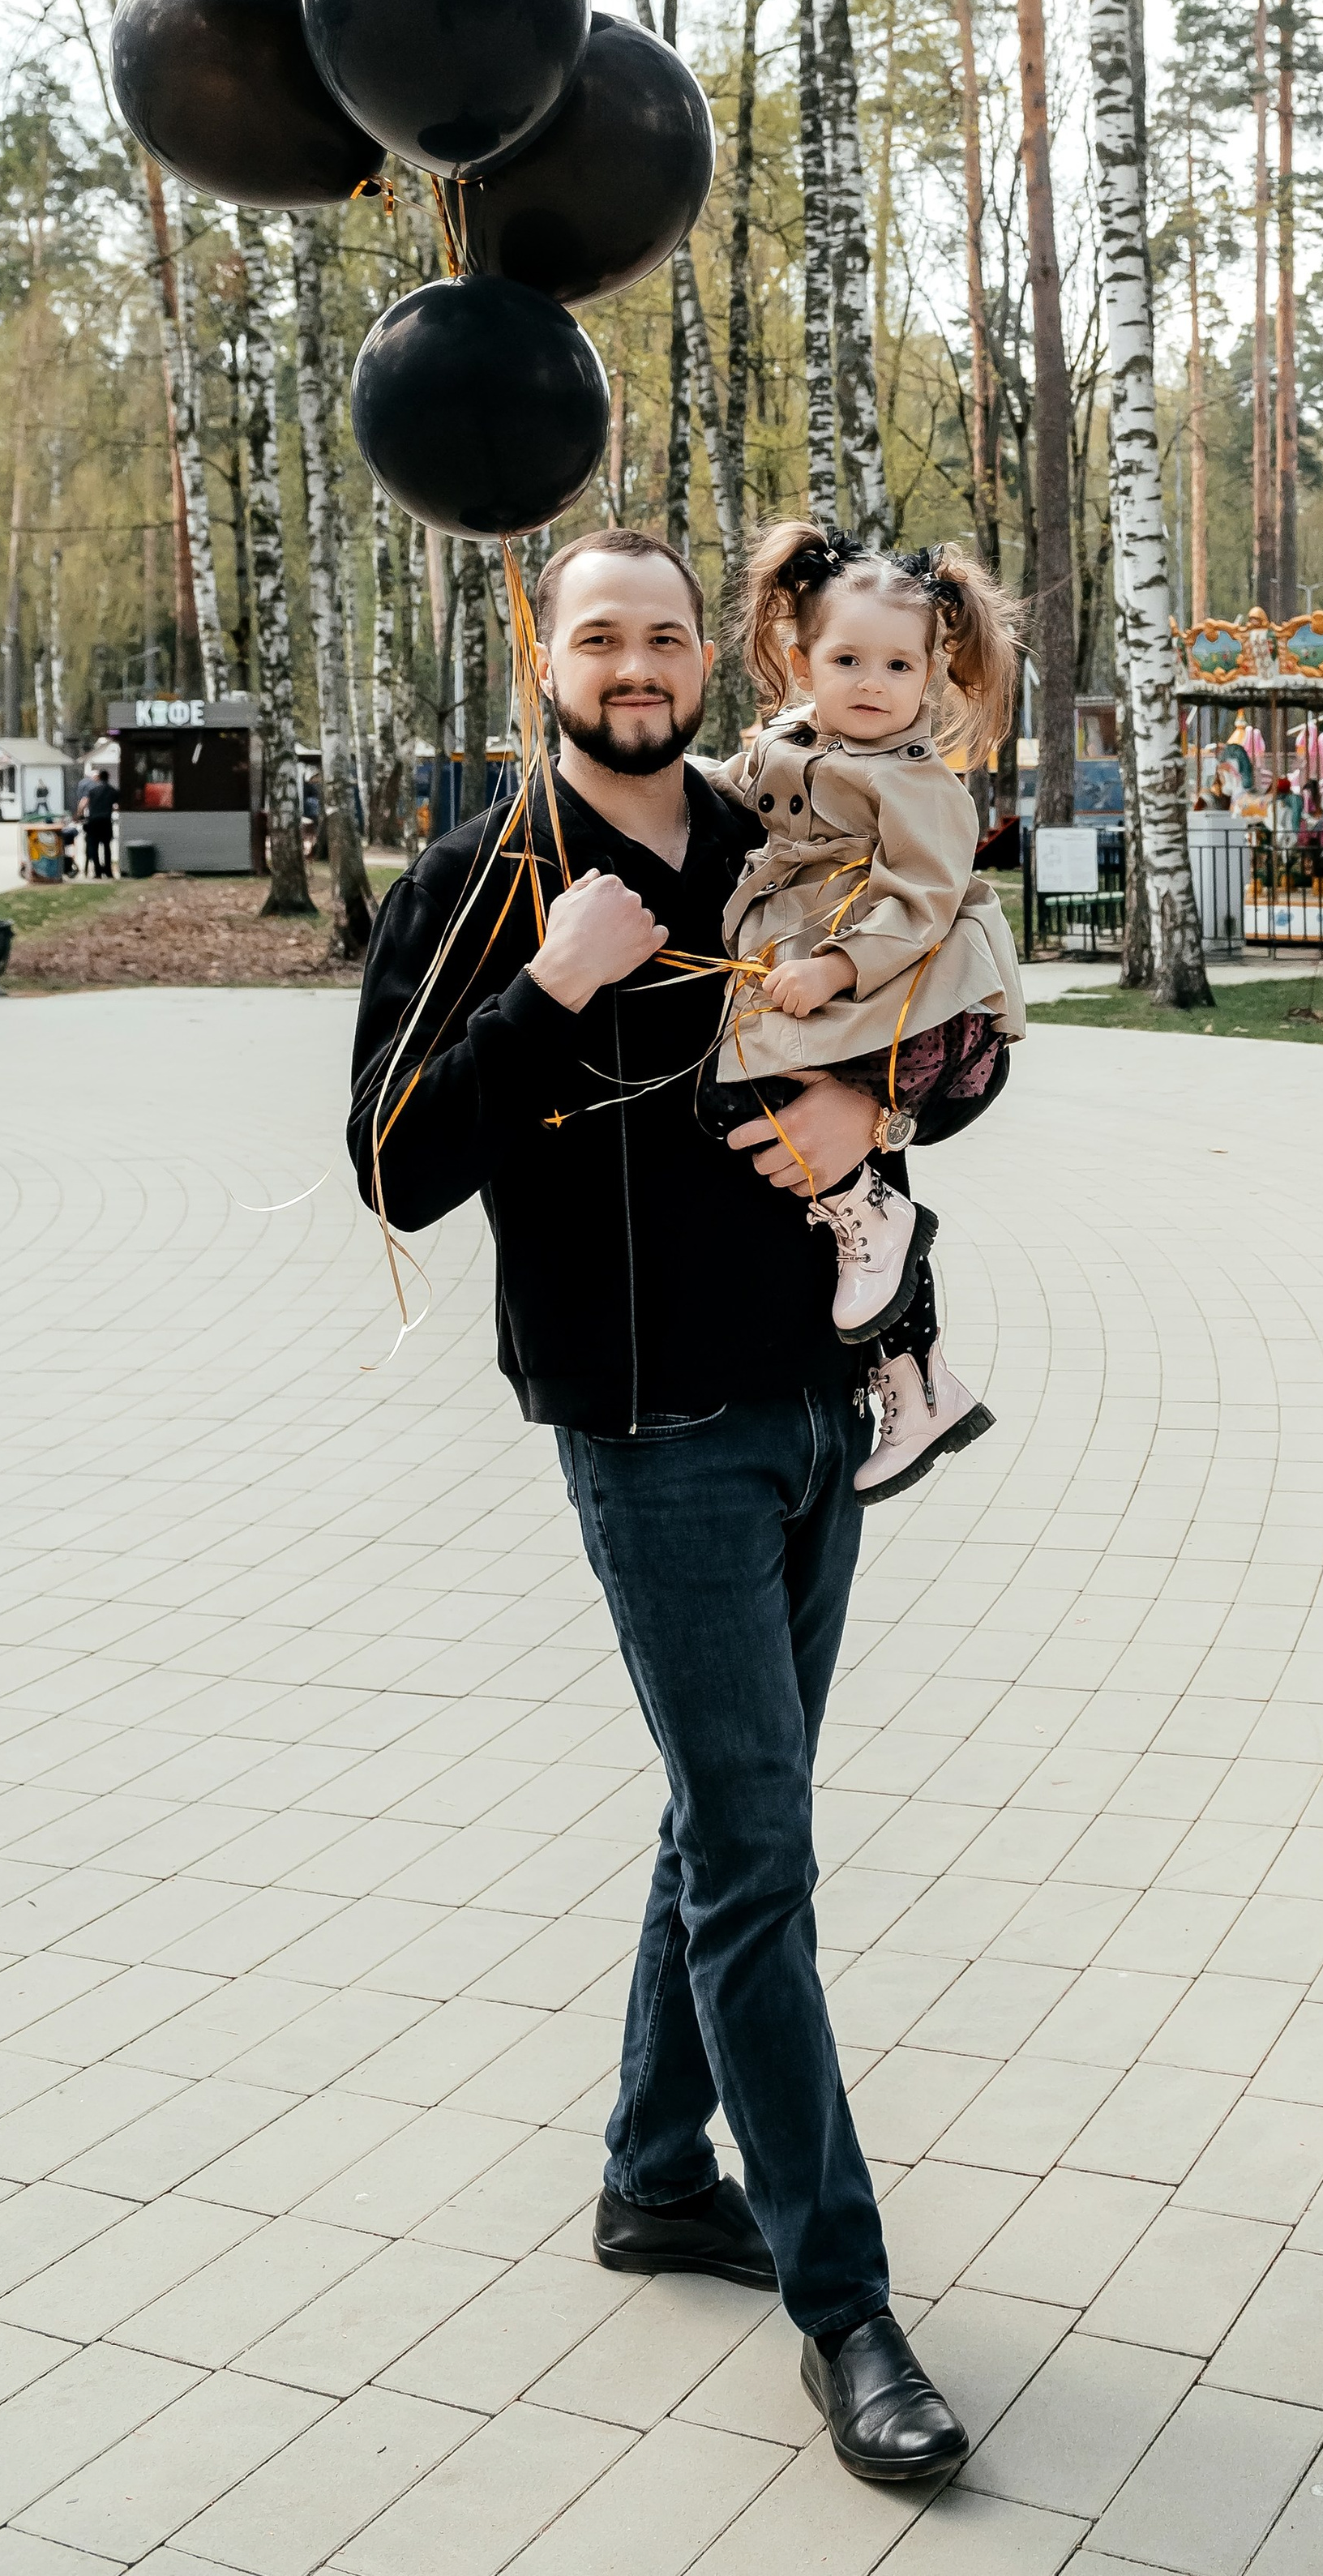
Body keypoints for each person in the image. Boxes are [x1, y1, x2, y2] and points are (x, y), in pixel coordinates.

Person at [346, 528, 987, 2491]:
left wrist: (886, 1110)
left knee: (729, 1810)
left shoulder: (780, 826)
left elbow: (944, 1008)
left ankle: (648, 2174)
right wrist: (543, 987)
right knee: (756, 1849)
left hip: (820, 1404)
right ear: (548, 649)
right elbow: (390, 1162)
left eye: (667, 631)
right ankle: (843, 2301)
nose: (636, 663)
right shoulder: (477, 879)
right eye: (599, 633)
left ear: (724, 650)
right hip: (647, 1429)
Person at [708, 524, 1025, 1500]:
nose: (873, 682)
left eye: (898, 663)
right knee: (807, 1152)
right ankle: (914, 1378)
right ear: (803, 663)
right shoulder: (785, 741)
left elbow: (921, 901)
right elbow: (725, 791)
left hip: (899, 984)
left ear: (933, 673)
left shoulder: (916, 781)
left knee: (768, 1110)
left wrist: (837, 968)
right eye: (848, 660)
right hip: (814, 974)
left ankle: (872, 1219)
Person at [80, 767, 116, 879]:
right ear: (108, 777)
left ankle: (98, 872)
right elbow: (118, 804)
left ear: (99, 777)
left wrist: (79, 815)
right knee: (107, 846)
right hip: (106, 820)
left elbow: (83, 803)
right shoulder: (112, 791)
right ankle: (108, 872)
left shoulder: (92, 790)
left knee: (94, 846)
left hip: (93, 821)